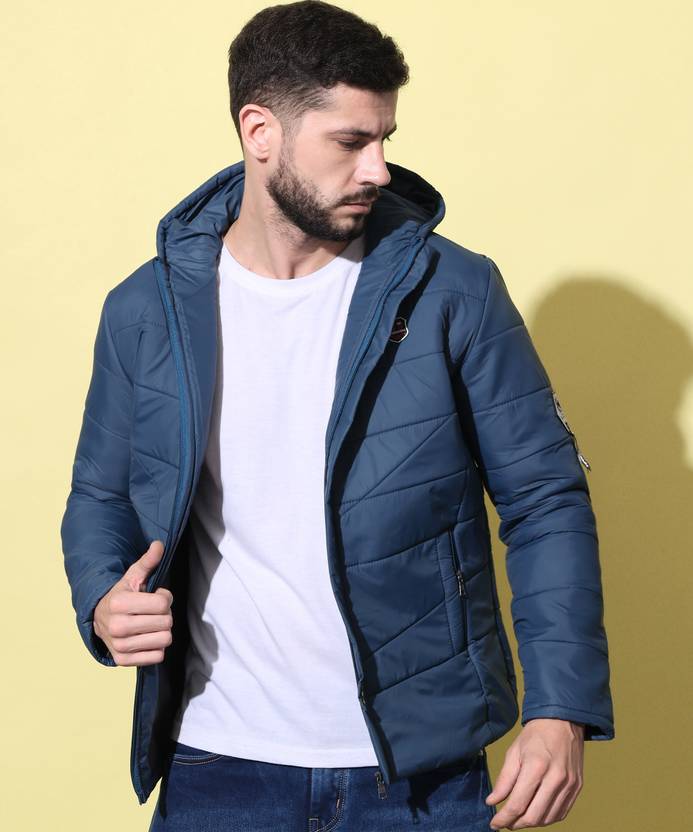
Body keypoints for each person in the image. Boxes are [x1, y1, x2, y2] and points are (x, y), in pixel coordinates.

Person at [60, 2, 614, 829]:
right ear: (260, 131)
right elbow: (99, 495)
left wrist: (559, 709)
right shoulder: (146, 309)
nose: (378, 169)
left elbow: (545, 500)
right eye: (351, 141)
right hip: (218, 768)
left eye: (384, 137)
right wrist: (103, 597)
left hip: (421, 778)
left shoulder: (453, 291)